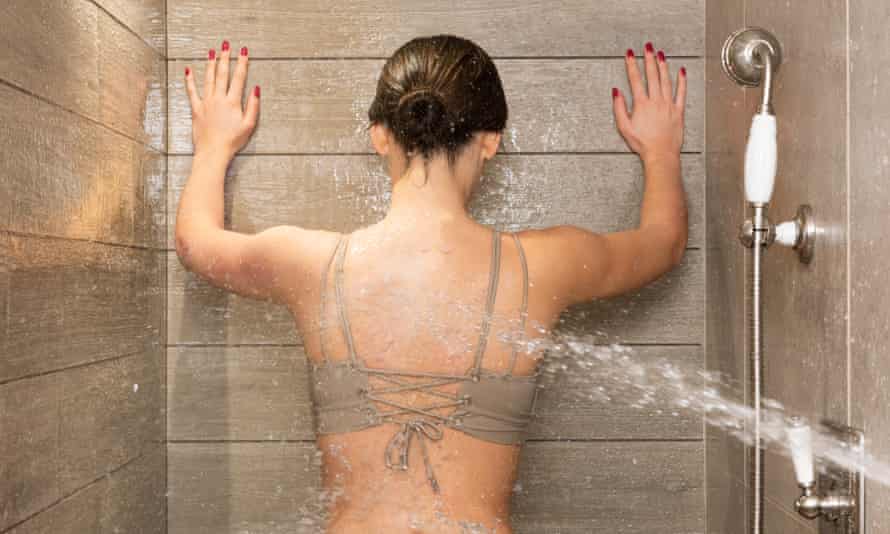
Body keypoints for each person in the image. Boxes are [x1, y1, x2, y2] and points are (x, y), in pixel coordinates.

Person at [176, 35, 687, 534]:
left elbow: (195, 243)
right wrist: (660, 152)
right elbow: (663, 244)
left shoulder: (311, 265)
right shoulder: (541, 267)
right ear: (490, 141)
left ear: (379, 134)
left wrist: (214, 146)